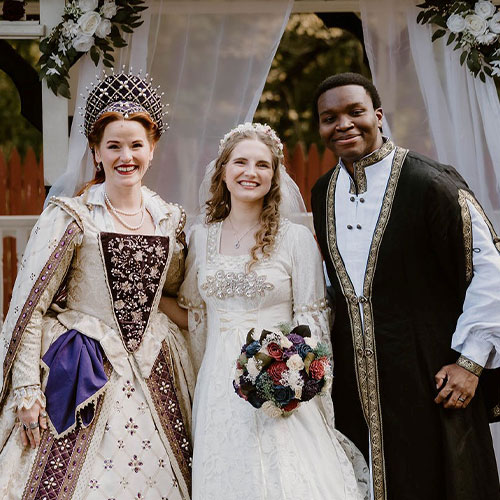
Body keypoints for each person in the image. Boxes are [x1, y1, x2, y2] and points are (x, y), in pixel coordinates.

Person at [0, 71, 194, 500]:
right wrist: (28, 389)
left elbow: (172, 292)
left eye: (136, 145)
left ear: (153, 147)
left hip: (154, 368)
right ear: (96, 150)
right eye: (114, 146)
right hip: (83, 368)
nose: (126, 156)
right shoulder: (72, 216)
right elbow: (32, 307)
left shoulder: (171, 220)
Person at [310, 72, 500, 500]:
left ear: (378, 116)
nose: (343, 124)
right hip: (354, 385)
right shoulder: (322, 191)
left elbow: (490, 270)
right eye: (329, 117)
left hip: (431, 374)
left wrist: (470, 361)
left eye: (355, 112)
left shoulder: (430, 181)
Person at [178, 122, 369, 500]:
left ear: (275, 175)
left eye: (263, 165)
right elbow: (194, 312)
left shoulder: (295, 239)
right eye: (241, 162)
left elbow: (314, 319)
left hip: (278, 376)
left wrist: (297, 379)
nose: (251, 173)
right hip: (219, 382)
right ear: (223, 170)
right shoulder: (201, 239)